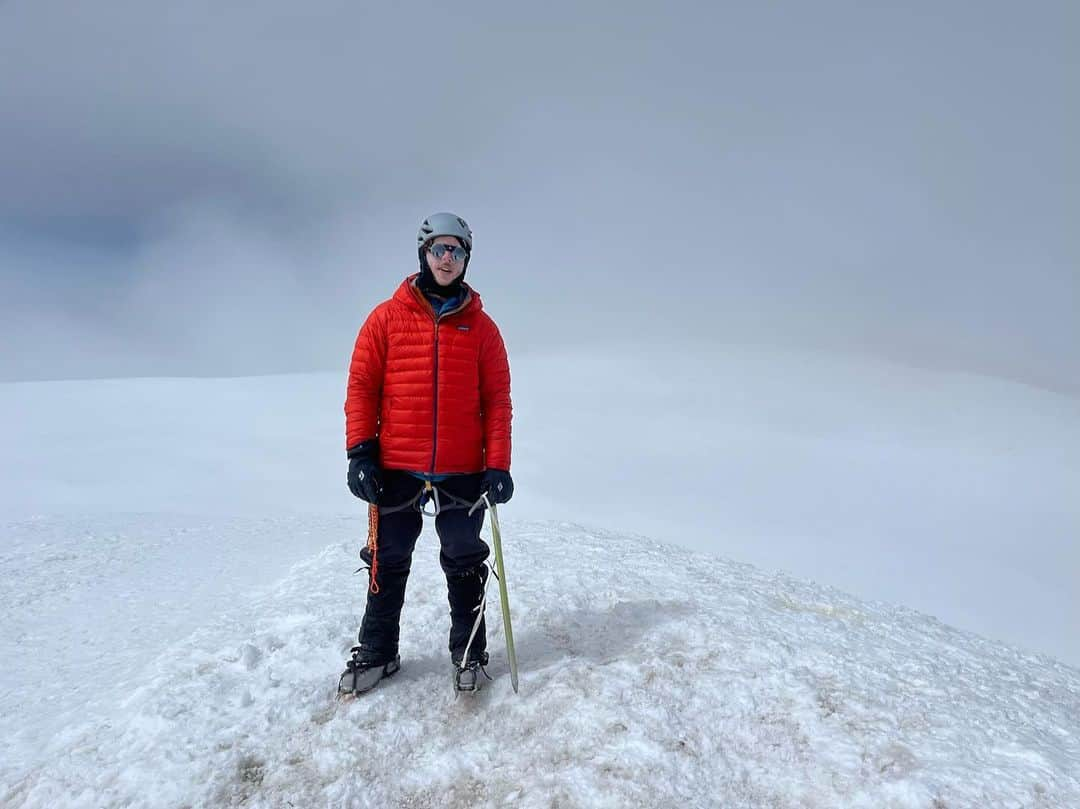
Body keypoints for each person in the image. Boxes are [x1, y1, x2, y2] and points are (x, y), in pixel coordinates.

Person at [338, 212, 514, 696]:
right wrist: (360, 452)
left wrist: (498, 464)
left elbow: (496, 400)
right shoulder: (385, 319)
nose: (447, 259)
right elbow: (361, 387)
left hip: (462, 466)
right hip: (395, 462)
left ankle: (469, 649)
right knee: (387, 557)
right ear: (423, 252)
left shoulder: (482, 329)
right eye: (439, 249)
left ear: (466, 259)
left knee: (462, 554)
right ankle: (378, 650)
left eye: (457, 251)